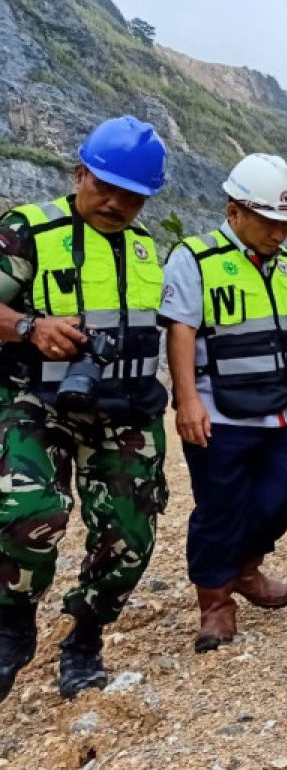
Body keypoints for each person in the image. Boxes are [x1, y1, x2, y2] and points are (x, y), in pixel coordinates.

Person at [0, 116, 169, 699]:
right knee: (27, 509)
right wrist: (29, 325)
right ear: (79, 174)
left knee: (130, 538)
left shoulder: (148, 249)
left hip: (124, 409)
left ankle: (85, 637)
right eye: (105, 188)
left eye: (133, 196)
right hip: (35, 398)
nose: (117, 203)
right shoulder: (29, 230)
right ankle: (13, 619)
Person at [162, 153, 287, 653]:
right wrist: (187, 400)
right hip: (220, 411)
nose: (280, 233)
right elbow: (181, 331)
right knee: (220, 506)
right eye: (270, 222)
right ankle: (216, 604)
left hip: (280, 408)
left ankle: (245, 568)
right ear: (235, 212)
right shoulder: (196, 258)